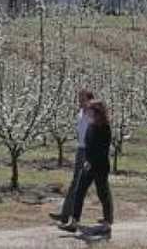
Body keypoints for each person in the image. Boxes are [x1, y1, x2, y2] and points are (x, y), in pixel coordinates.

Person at [58, 99, 114, 236]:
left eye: (90, 110)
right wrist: (87, 161)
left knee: (103, 193)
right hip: (88, 164)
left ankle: (107, 223)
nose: (87, 112)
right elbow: (88, 145)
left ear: (97, 112)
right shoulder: (91, 125)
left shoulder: (105, 128)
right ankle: (74, 222)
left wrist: (91, 162)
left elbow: (102, 150)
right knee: (79, 192)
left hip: (99, 166)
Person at [49, 89, 94, 224]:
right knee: (76, 183)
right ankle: (65, 214)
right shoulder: (81, 113)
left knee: (92, 183)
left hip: (90, 150)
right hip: (81, 149)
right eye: (79, 99)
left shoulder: (93, 113)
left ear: (90, 99)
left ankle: (106, 218)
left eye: (82, 99)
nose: (79, 101)